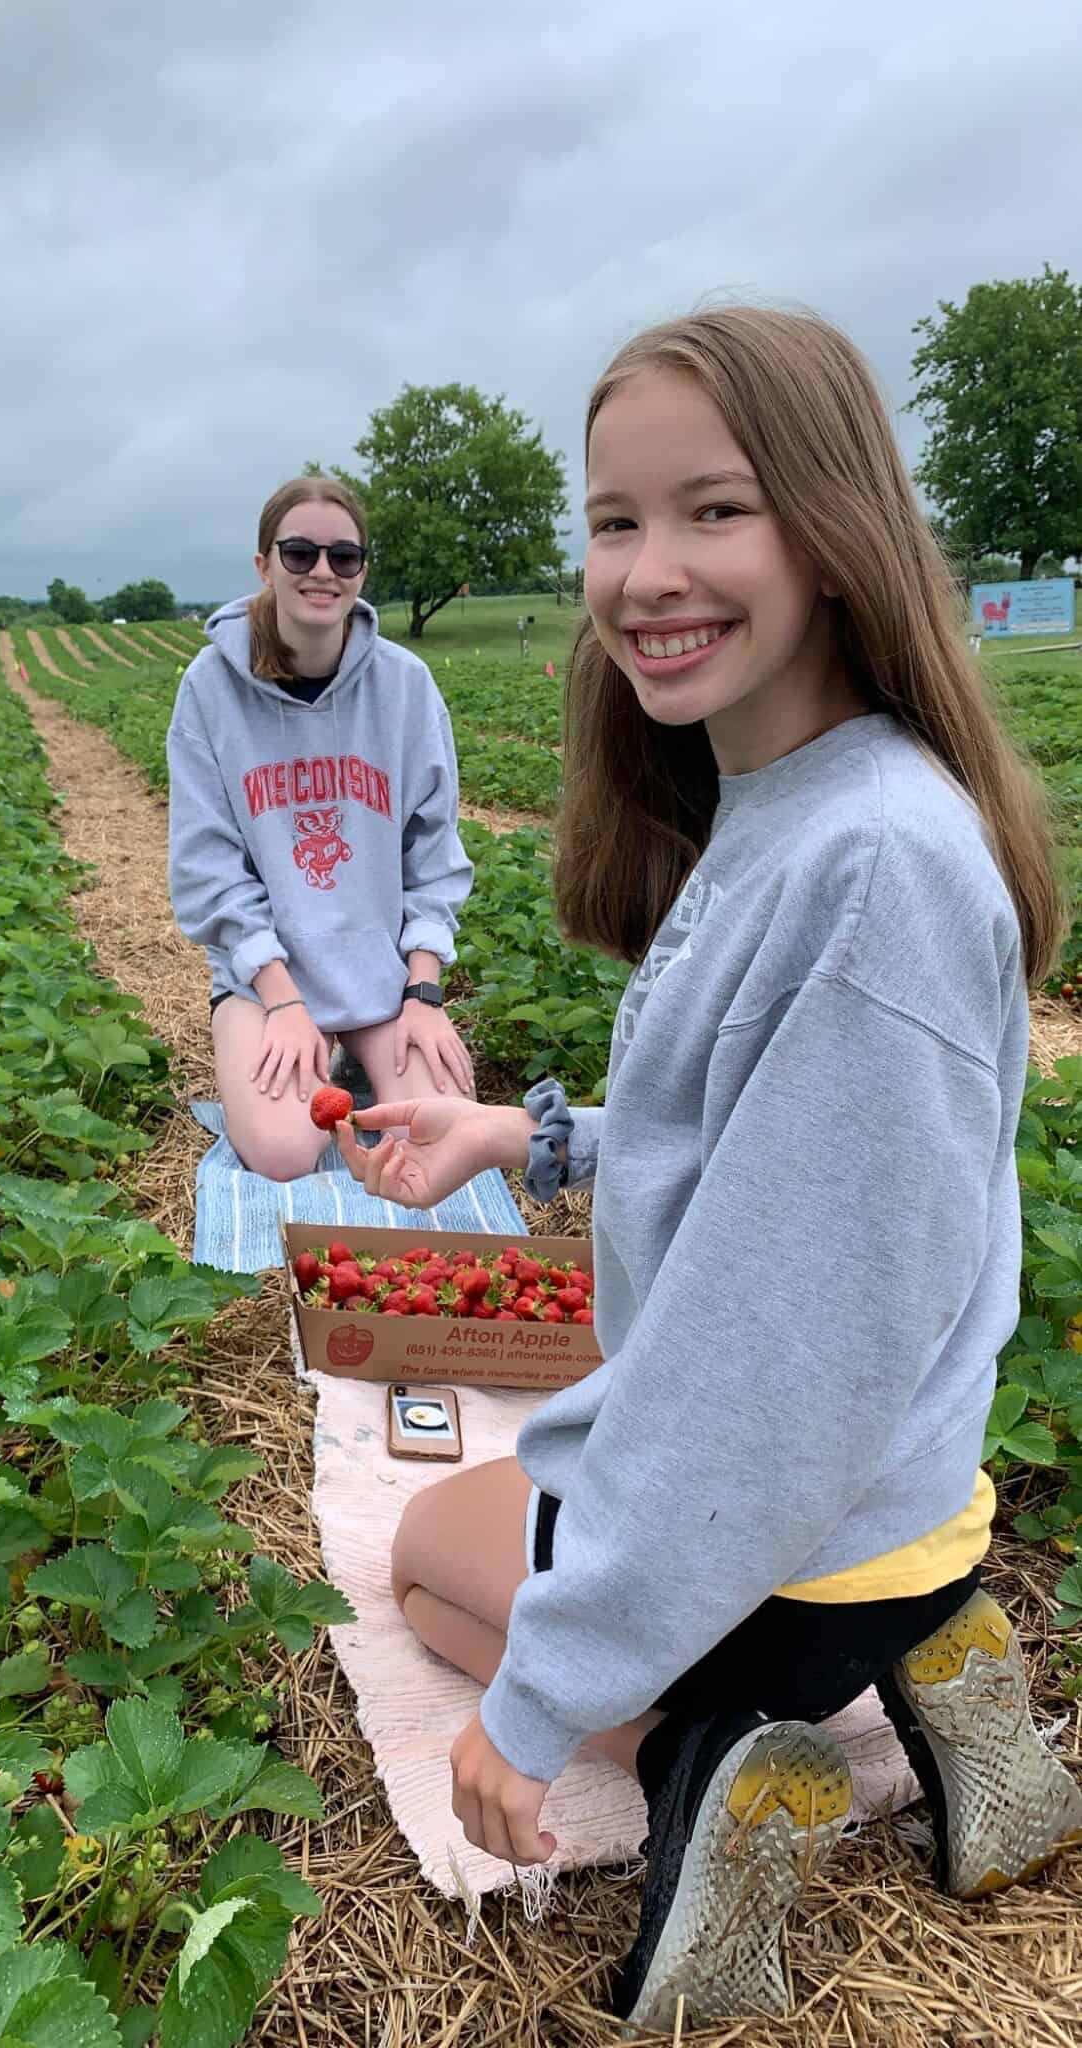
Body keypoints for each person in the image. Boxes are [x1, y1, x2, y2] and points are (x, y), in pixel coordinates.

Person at [337, 307, 1082, 2033]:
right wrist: (529, 1135)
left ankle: (719, 1759)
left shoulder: (874, 864)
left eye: (713, 509)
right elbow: (757, 1147)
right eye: (615, 521)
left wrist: (541, 1704)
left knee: (434, 1557)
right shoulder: (810, 800)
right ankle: (942, 1672)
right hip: (906, 1510)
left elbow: (770, 1375)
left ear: (833, 528)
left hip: (805, 1535)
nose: (648, 571)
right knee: (532, 1496)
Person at [167, 476, 476, 1182]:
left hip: (379, 975)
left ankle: (360, 1059)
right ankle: (298, 1064)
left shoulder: (404, 686)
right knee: (283, 1153)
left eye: (343, 556)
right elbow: (205, 868)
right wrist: (282, 1001)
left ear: (362, 568)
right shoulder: (209, 689)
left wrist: (423, 992)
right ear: (263, 564)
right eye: (299, 552)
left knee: (441, 1138)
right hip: (266, 982)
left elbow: (433, 853)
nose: (321, 572)